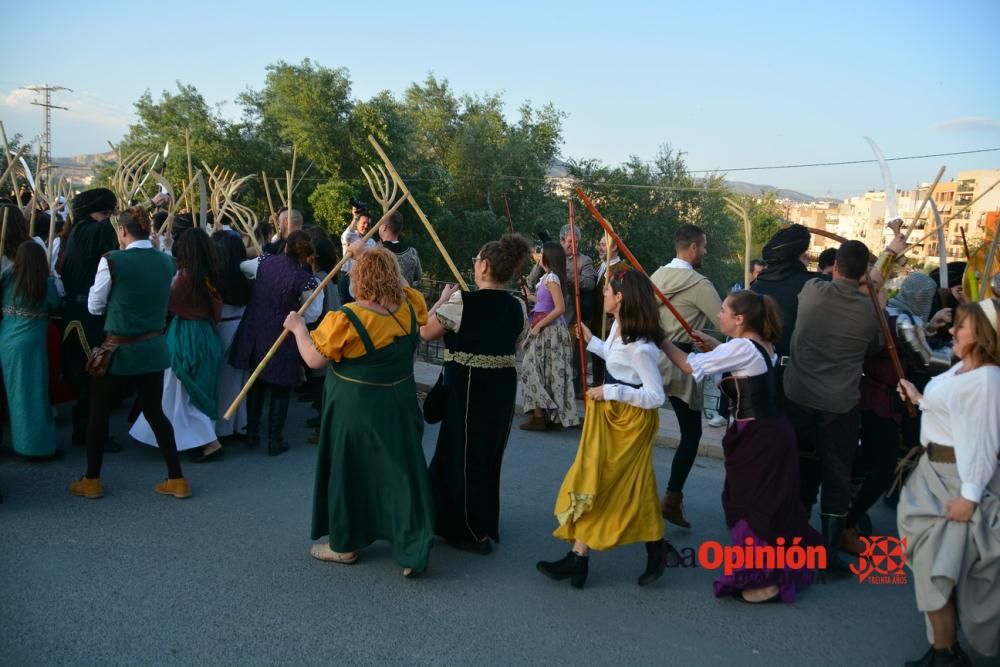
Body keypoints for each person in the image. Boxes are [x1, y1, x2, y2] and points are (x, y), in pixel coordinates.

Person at [661, 291, 822, 603]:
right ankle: (767, 572)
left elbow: (690, 367)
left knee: (752, 508)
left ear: (739, 319)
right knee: (762, 504)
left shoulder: (741, 347)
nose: (718, 316)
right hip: (773, 434)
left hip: (759, 438)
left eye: (723, 311)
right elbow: (745, 364)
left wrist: (660, 339)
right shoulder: (761, 346)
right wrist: (717, 348)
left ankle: (763, 580)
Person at [284, 245, 434, 577]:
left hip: (356, 410)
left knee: (348, 471)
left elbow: (314, 360)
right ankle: (410, 549)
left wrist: (297, 328)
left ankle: (344, 545)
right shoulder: (410, 305)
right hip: (399, 404)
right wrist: (363, 253)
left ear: (360, 279)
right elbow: (400, 286)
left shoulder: (348, 319)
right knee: (401, 472)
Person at [536, 270, 669, 590]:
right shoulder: (618, 329)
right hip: (611, 416)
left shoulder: (641, 346)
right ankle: (585, 557)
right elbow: (614, 359)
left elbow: (655, 396)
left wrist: (609, 392)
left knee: (602, 484)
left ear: (620, 297)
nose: (604, 294)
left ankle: (581, 558)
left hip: (631, 422)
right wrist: (591, 340)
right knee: (619, 484)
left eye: (608, 289)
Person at [896, 298, 1000, 666]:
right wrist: (921, 398)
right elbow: (954, 412)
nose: (952, 331)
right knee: (933, 571)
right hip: (934, 474)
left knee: (935, 572)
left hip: (956, 481)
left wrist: (969, 498)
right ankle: (944, 649)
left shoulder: (987, 380)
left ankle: (946, 655)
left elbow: (983, 443)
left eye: (962, 326)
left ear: (984, 334)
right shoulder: (965, 371)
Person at [420, 234, 531, 554]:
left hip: (467, 387)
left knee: (461, 453)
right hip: (501, 388)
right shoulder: (517, 305)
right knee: (486, 454)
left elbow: (425, 330)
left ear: (483, 266)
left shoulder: (462, 302)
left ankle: (469, 529)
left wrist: (441, 299)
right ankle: (474, 521)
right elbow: (514, 346)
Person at [68, 206, 189, 500]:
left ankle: (92, 480)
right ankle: (177, 479)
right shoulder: (166, 261)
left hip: (118, 350)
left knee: (99, 414)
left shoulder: (112, 260)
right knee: (155, 413)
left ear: (121, 231)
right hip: (152, 349)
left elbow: (94, 306)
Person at [783, 240, 882, 575]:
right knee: (837, 473)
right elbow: (876, 347)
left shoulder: (813, 290)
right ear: (864, 272)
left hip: (799, 396)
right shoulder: (871, 310)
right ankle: (828, 552)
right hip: (840, 404)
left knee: (801, 467)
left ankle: (794, 541)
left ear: (835, 265)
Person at [649, 224, 723, 528]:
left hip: (651, 358)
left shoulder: (655, 277)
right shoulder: (700, 284)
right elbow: (725, 322)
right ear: (692, 247)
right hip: (681, 362)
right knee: (691, 435)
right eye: (703, 247)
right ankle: (672, 497)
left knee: (639, 428)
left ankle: (633, 491)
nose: (705, 252)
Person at [130, 228, 223, 461]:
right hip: (206, 333)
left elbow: (165, 303)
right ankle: (193, 438)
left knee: (180, 390)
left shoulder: (184, 279)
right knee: (191, 390)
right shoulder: (209, 275)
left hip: (185, 336)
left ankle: (209, 441)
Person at [232, 230, 321, 455]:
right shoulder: (307, 280)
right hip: (283, 333)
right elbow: (312, 314)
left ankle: (252, 433)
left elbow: (243, 267)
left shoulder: (264, 262)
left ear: (286, 246)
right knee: (280, 387)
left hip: (257, 329)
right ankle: (275, 440)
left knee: (257, 382)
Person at [58, 188, 119, 450]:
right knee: (97, 377)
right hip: (90, 316)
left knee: (83, 379)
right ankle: (94, 436)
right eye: (106, 213)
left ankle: (82, 431)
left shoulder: (75, 231)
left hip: (71, 314)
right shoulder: (100, 231)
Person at [0, 241, 60, 459]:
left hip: (7, 339)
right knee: (33, 395)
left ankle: (23, 442)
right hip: (31, 342)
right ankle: (35, 446)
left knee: (13, 393)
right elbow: (55, 305)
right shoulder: (44, 282)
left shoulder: (6, 278)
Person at [750, 224, 822, 401]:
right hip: (798, 377)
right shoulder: (813, 285)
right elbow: (858, 286)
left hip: (759, 371)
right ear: (802, 253)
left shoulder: (758, 285)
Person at [520, 241, 579, 430]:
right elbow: (547, 302)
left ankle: (540, 416)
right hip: (546, 329)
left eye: (541, 252)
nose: (538, 255)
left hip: (549, 331)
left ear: (548, 256)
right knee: (542, 372)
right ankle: (542, 415)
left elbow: (560, 308)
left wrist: (539, 327)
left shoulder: (552, 278)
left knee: (531, 369)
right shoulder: (547, 277)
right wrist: (530, 297)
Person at [211, 231, 252, 443]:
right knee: (239, 380)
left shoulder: (213, 275)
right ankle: (240, 424)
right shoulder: (246, 273)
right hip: (243, 327)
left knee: (222, 382)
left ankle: (222, 429)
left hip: (222, 328)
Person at [590, 236, 631, 384]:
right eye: (599, 244)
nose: (600, 248)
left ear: (614, 247)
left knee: (611, 363)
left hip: (612, 325)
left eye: (604, 245)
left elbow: (629, 299)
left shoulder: (625, 270)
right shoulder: (598, 267)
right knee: (596, 363)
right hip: (595, 323)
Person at [339, 211, 376, 305]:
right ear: (357, 224)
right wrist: (355, 217)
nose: (366, 226)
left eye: (368, 223)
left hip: (363, 278)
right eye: (363, 223)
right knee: (345, 305)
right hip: (347, 276)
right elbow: (346, 235)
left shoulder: (372, 242)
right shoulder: (351, 237)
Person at [379, 211, 422, 286]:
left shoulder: (377, 253)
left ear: (385, 227)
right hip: (407, 296)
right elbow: (419, 276)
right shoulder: (412, 252)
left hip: (384, 297)